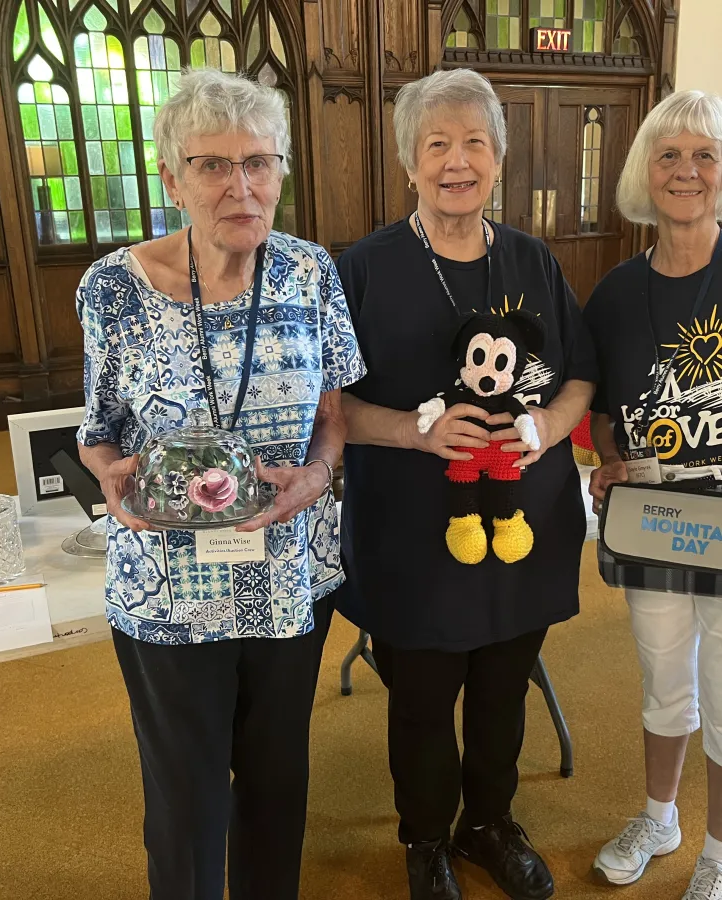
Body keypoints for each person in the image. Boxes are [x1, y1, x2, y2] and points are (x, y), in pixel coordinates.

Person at [75, 68, 366, 900]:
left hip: (288, 571)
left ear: (281, 172)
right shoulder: (114, 289)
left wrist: (316, 473)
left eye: (260, 163)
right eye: (212, 166)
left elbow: (335, 410)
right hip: (169, 581)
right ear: (170, 177)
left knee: (276, 779)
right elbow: (97, 432)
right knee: (187, 790)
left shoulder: (311, 272)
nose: (242, 186)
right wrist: (108, 479)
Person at [335, 67, 597, 900]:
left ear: (501, 157)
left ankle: (489, 822)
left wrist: (546, 429)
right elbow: (328, 405)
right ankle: (425, 838)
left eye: (474, 142)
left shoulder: (531, 259)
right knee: (421, 697)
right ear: (409, 162)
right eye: (437, 144)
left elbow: (578, 376)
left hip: (524, 519)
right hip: (414, 530)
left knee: (500, 688)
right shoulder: (367, 267)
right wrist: (413, 430)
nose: (458, 161)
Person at [585, 89, 722, 900]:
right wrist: (607, 460)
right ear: (645, 170)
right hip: (656, 518)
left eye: (704, 154)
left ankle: (718, 849)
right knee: (664, 680)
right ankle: (661, 817)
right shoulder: (611, 294)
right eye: (669, 154)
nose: (687, 171)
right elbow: (601, 415)